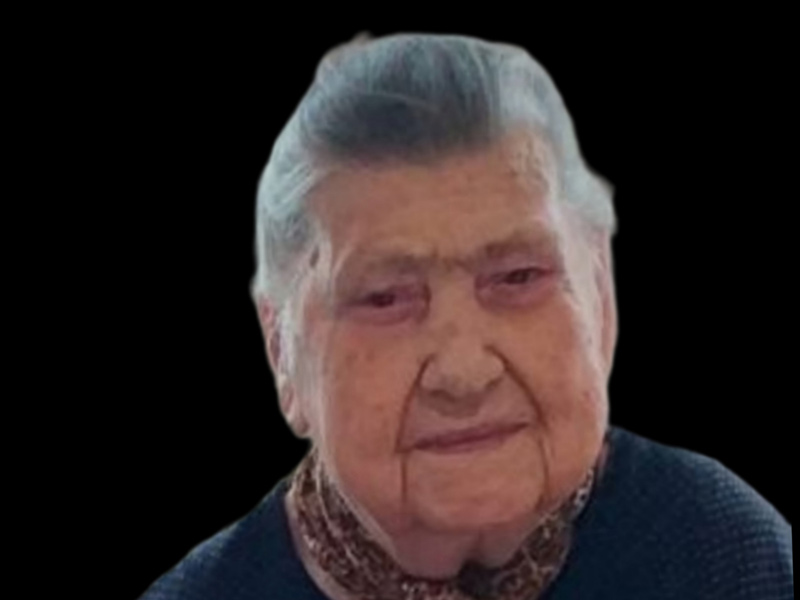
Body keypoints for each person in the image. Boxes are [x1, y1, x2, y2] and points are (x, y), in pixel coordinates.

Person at [139, 32, 792, 599]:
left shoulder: (728, 556)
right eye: (385, 297)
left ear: (601, 298)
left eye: (518, 277)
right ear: (282, 350)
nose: (463, 373)